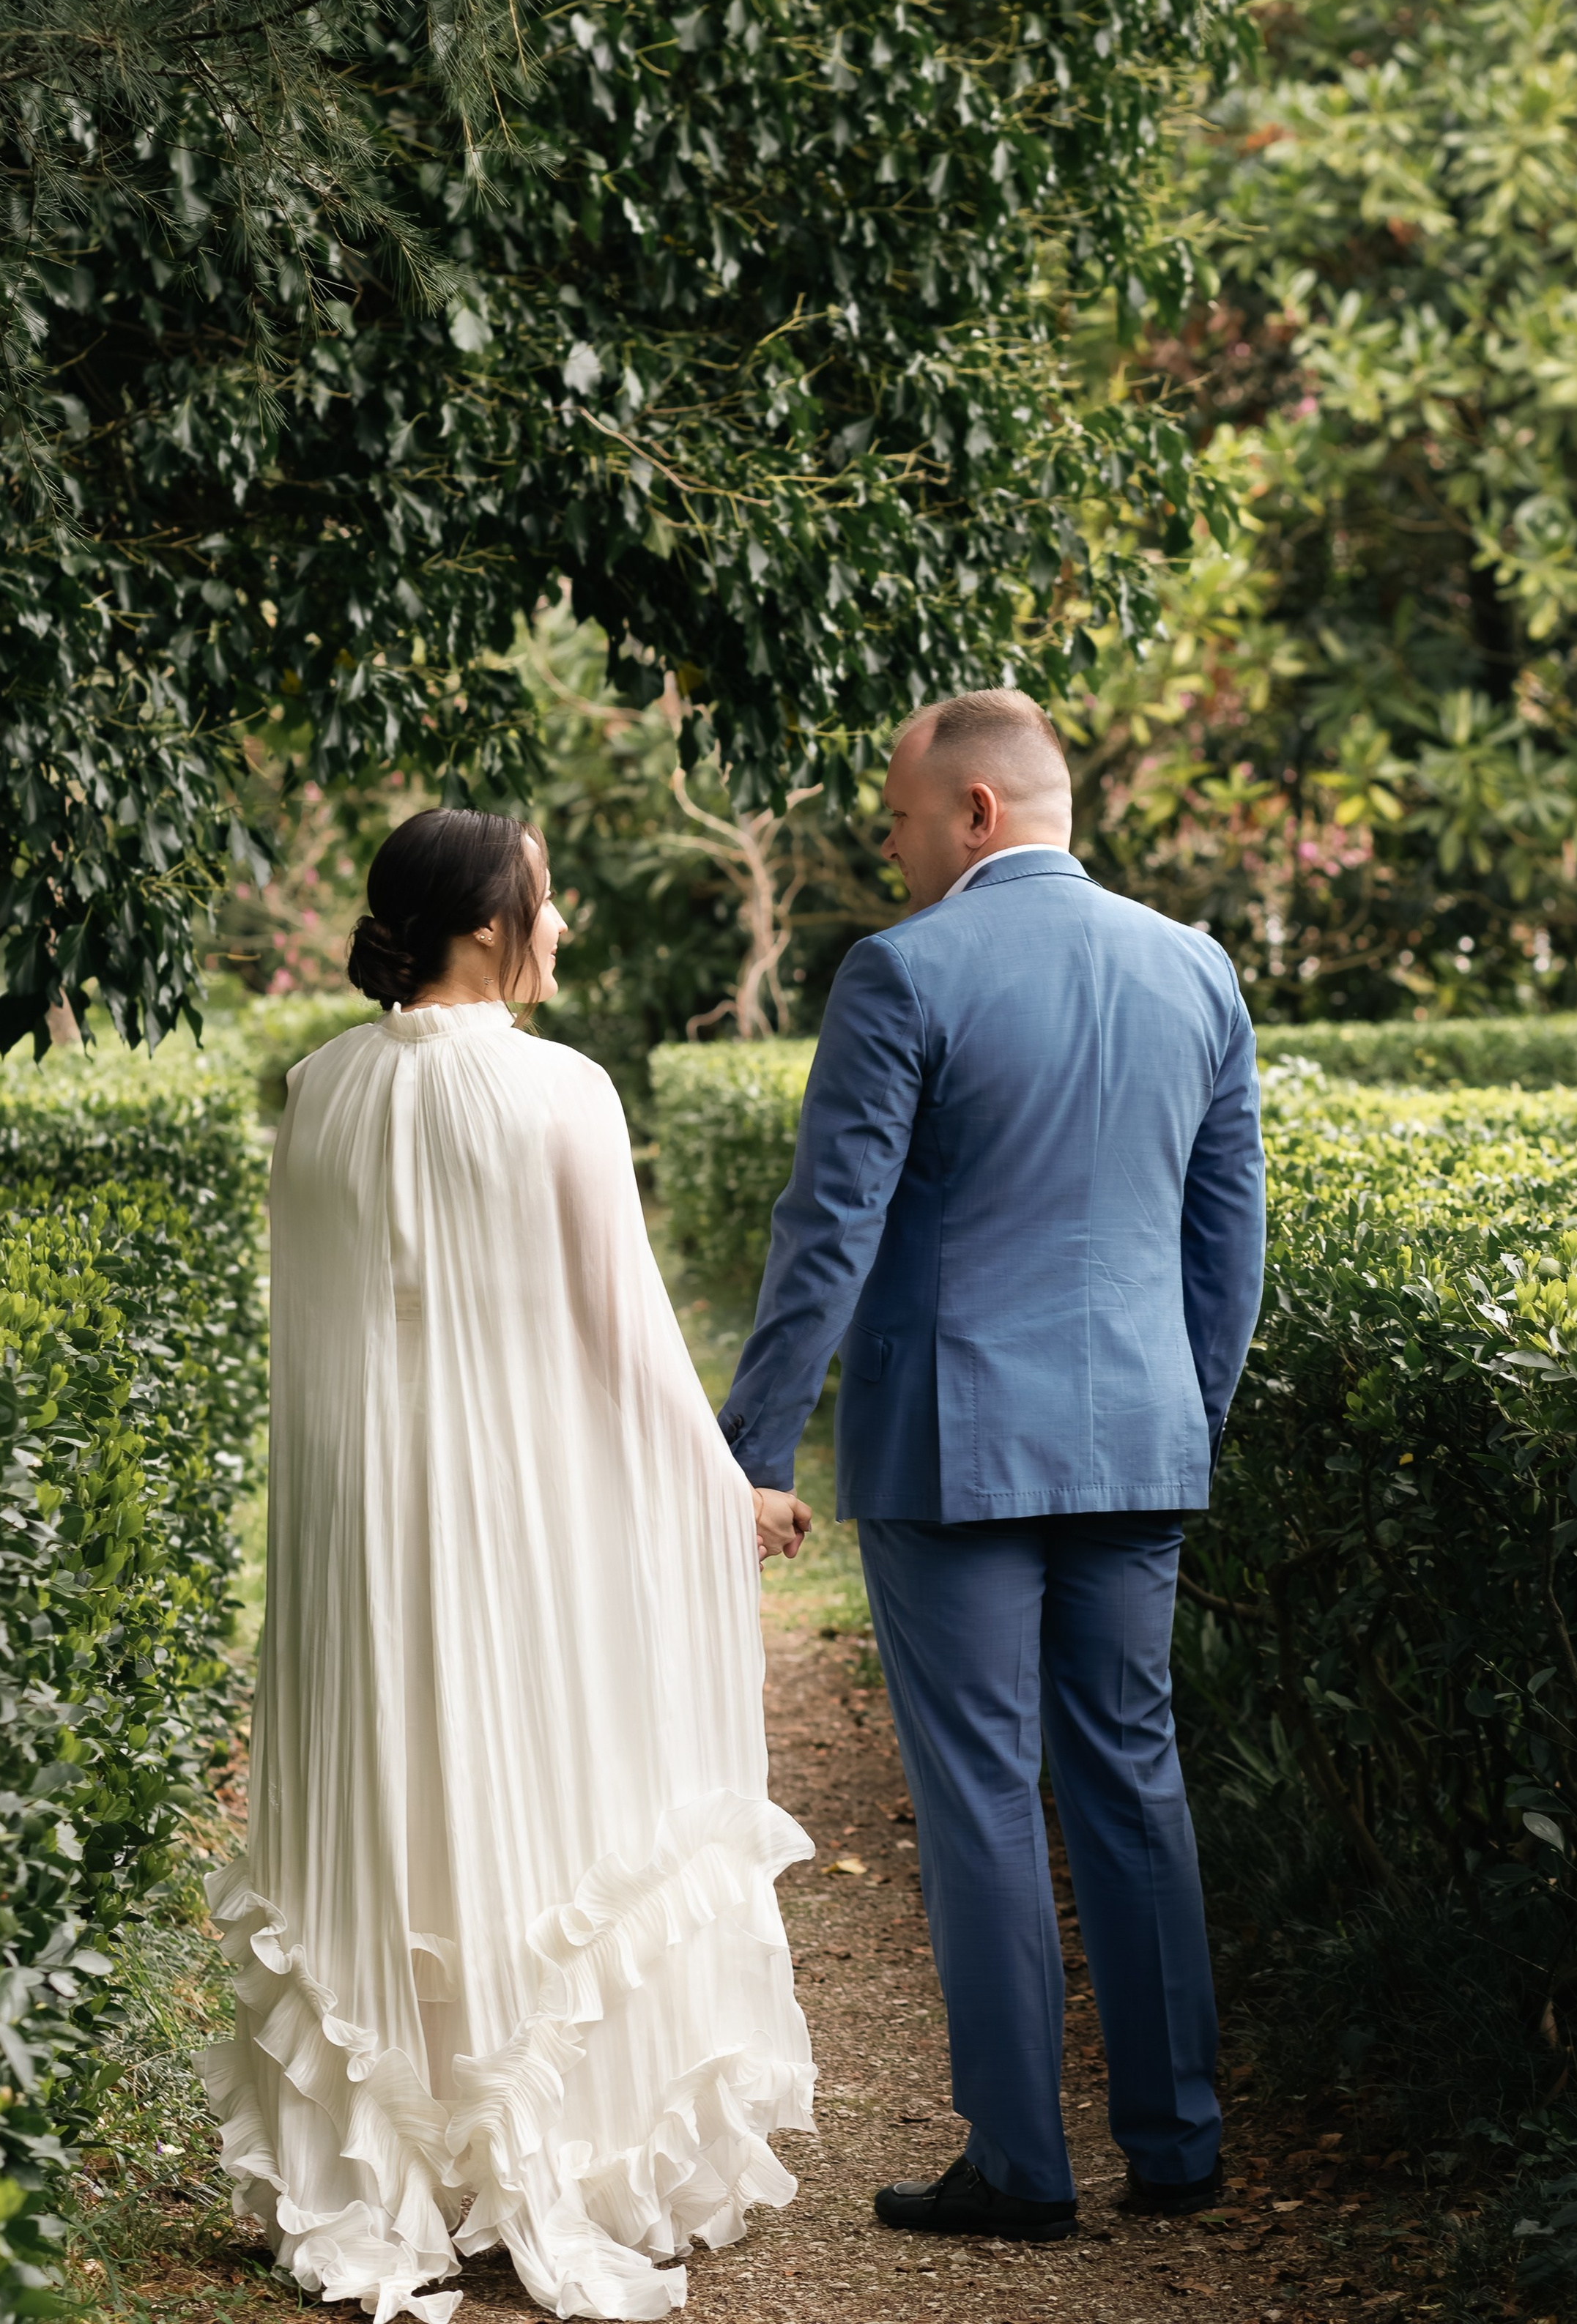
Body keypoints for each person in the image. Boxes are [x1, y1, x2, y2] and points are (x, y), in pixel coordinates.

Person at [198, 809, 815, 2324]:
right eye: (547, 899)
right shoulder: (559, 1090)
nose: (562, 922)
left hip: (358, 1519)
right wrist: (713, 1479)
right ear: (492, 920)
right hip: (510, 1509)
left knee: (399, 1789)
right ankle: (537, 2143)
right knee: (534, 1774)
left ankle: (395, 2145)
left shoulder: (319, 1087)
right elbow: (621, 1329)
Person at [718, 691, 1265, 2243]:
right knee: (1132, 1781)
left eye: (894, 818)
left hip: (951, 1454)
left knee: (976, 1798)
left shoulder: (903, 971)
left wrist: (745, 1446)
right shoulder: (1194, 966)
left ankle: (1022, 2169)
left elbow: (825, 1231)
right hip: (1138, 1443)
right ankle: (1176, 2146)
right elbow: (1226, 1240)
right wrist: (1179, 1415)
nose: (885, 848)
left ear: (974, 812)